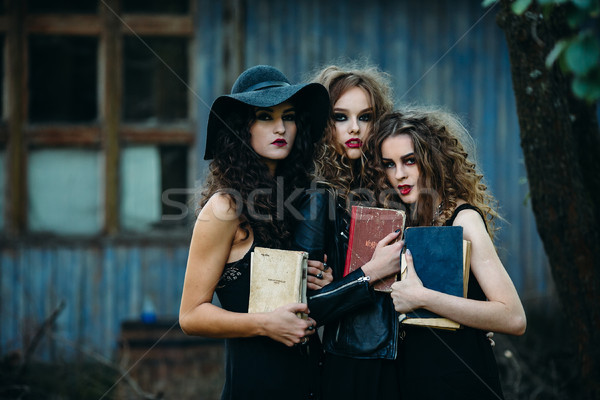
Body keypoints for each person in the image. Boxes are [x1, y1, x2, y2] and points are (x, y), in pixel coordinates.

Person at [179, 65, 333, 400]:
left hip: (311, 384)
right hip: (253, 388)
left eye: (289, 116)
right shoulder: (224, 209)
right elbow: (190, 315)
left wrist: (318, 283)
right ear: (240, 128)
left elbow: (298, 309)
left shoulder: (301, 202)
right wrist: (265, 323)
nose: (280, 128)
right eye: (265, 116)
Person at [365, 108, 527, 399]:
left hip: (461, 381)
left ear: (433, 159)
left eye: (409, 160)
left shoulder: (463, 219)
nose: (399, 174)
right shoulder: (406, 222)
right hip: (414, 380)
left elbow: (513, 317)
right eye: (389, 164)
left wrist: (423, 298)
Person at [292, 64, 406, 400]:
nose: (354, 128)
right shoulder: (318, 195)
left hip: (409, 353)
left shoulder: (394, 183)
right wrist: (367, 275)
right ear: (324, 124)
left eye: (365, 117)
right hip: (358, 362)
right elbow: (305, 307)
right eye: (340, 117)